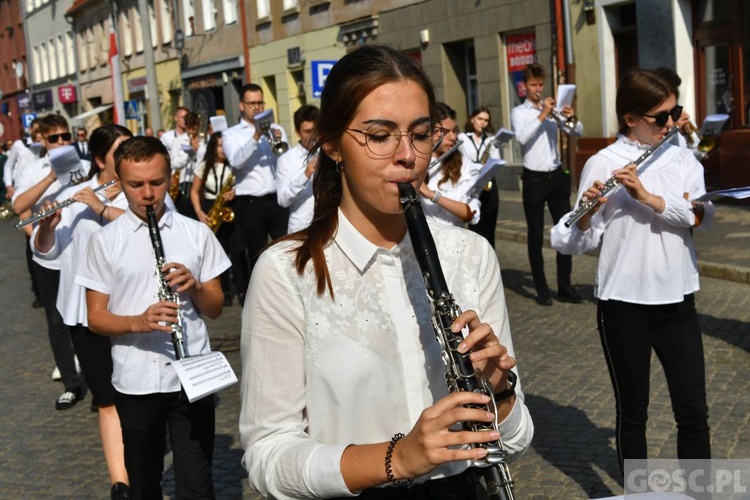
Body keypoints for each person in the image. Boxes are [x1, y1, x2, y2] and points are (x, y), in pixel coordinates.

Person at [239, 44, 533, 499]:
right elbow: (267, 456)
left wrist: (502, 392)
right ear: (333, 144)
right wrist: (399, 457)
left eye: (420, 134)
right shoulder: (285, 271)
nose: (408, 156)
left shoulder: (469, 255)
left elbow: (514, 440)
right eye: (380, 135)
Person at [550, 69, 713, 471]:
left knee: (693, 410)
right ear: (631, 119)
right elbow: (571, 239)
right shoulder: (603, 163)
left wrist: (648, 197)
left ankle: (699, 494)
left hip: (677, 300)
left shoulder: (683, 158)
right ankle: (636, 495)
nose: (671, 123)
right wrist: (587, 214)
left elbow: (700, 217)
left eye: (674, 112)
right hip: (623, 304)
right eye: (661, 117)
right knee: (632, 413)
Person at [76, 136, 231, 498]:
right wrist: (139, 322)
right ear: (119, 181)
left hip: (192, 374)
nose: (147, 193)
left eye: (157, 183)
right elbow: (96, 319)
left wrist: (195, 286)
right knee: (144, 483)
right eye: (135, 184)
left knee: (197, 484)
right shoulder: (106, 241)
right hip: (137, 379)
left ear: (170, 178)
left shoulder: (196, 233)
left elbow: (216, 308)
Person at [33, 124, 133, 499]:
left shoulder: (141, 193)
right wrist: (46, 227)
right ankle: (120, 481)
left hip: (129, 311)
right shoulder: (72, 195)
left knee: (135, 397)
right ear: (99, 159)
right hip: (83, 313)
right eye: (120, 151)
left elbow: (149, 232)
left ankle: (141, 459)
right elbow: (48, 253)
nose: (129, 156)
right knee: (107, 398)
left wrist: (102, 208)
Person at [12, 114, 88, 409]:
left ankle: (95, 378)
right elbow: (19, 206)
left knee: (84, 316)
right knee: (56, 322)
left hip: (77, 250)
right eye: (54, 138)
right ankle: (71, 383)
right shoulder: (34, 169)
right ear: (42, 140)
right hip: (49, 257)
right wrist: (51, 178)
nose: (62, 142)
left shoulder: (80, 161)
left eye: (65, 137)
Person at [511, 63, 583, 306]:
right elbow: (521, 137)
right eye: (533, 85)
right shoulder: (519, 112)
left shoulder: (552, 111)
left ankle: (565, 286)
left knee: (566, 230)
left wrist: (570, 118)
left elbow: (577, 132)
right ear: (524, 87)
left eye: (541, 84)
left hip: (556, 176)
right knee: (535, 235)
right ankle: (541, 289)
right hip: (534, 178)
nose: (538, 89)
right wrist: (542, 115)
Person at [222, 83, 289, 286]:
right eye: (252, 103)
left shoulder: (276, 129)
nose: (257, 107)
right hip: (250, 203)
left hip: (276, 200)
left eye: (260, 103)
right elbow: (235, 161)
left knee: (286, 251)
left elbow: (286, 159)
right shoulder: (231, 134)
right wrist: (256, 136)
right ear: (242, 105)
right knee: (257, 255)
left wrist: (277, 141)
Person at [191, 131, 248, 306]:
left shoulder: (235, 166)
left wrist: (235, 192)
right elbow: (194, 191)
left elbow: (247, 184)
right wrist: (200, 212)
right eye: (220, 146)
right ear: (213, 148)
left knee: (238, 251)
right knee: (218, 253)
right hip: (211, 208)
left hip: (231, 208)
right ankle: (224, 291)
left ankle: (243, 289)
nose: (223, 149)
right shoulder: (203, 167)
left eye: (226, 146)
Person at [419, 102, 482, 227]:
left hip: (454, 239)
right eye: (446, 132)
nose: (453, 137)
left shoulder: (464, 165)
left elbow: (471, 215)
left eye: (455, 131)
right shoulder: (415, 162)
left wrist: (431, 194)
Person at [459, 107, 501, 247]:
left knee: (490, 228)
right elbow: (463, 162)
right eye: (480, 119)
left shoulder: (491, 139)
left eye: (486, 120)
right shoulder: (462, 138)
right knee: (476, 229)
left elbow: (496, 160)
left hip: (489, 183)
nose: (483, 123)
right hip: (472, 184)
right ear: (472, 119)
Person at [276, 104, 319, 233]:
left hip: (328, 225)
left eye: (315, 130)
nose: (312, 136)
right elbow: (282, 200)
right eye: (307, 132)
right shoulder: (286, 160)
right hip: (301, 228)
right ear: (297, 132)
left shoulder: (328, 152)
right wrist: (305, 175)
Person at [652, 66, 707, 161]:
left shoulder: (682, 115)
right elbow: (654, 153)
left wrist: (701, 148)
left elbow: (697, 154)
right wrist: (673, 129)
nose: (675, 95)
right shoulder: (652, 117)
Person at [170, 111, 205, 218]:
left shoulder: (203, 140)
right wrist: (188, 154)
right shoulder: (179, 141)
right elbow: (173, 163)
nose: (191, 132)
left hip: (198, 181)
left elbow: (204, 162)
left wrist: (198, 149)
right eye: (189, 129)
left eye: (194, 129)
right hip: (183, 181)